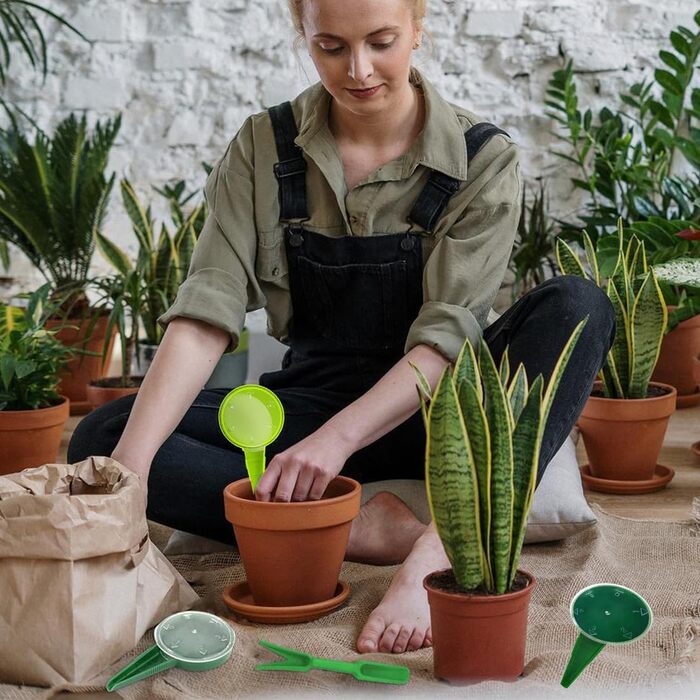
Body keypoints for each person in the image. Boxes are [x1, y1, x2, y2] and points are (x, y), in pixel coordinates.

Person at [69, 0, 615, 655]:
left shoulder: (481, 158)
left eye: (381, 42)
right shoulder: (261, 148)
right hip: (313, 398)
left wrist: (333, 444)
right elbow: (205, 314)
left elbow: (447, 337)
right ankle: (362, 529)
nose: (358, 71)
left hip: (446, 410)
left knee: (580, 304)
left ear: (417, 27)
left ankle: (439, 546)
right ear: (301, 34)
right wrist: (129, 475)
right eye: (330, 47)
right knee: (104, 438)